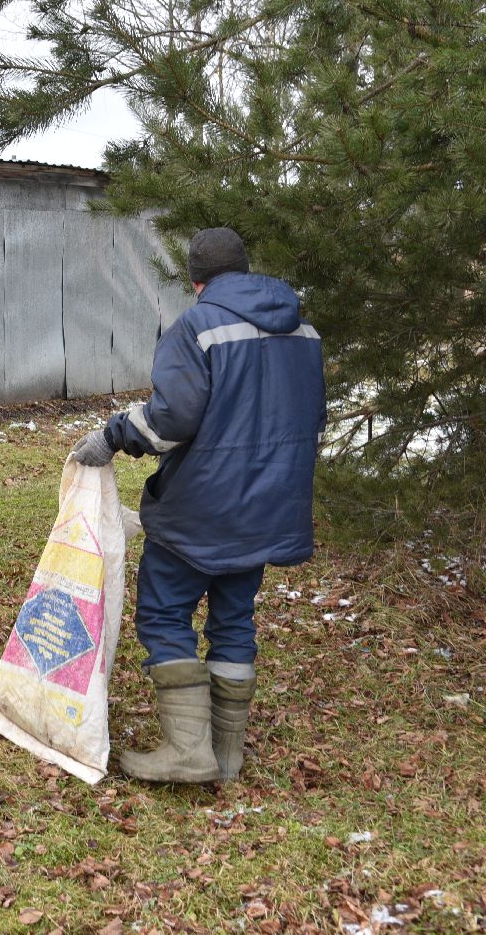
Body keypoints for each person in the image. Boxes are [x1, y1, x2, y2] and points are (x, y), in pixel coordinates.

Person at [70, 228, 324, 783]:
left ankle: (188, 750)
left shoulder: (197, 327)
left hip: (202, 506)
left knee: (164, 612)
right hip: (269, 507)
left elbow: (171, 420)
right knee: (234, 618)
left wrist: (113, 434)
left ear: (195, 281)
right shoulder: (303, 330)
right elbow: (310, 417)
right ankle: (227, 755)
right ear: (245, 268)